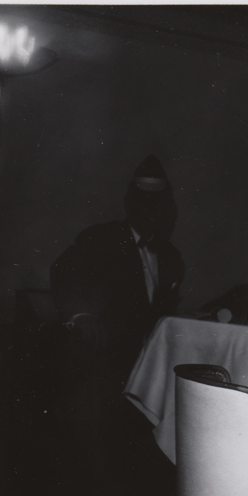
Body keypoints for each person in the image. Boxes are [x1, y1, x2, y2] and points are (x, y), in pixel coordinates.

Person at [52, 155, 185, 383]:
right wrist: (82, 315)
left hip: (149, 363)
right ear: (128, 204)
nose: (151, 211)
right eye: (143, 202)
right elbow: (64, 271)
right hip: (104, 362)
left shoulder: (170, 256)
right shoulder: (102, 238)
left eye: (158, 204)